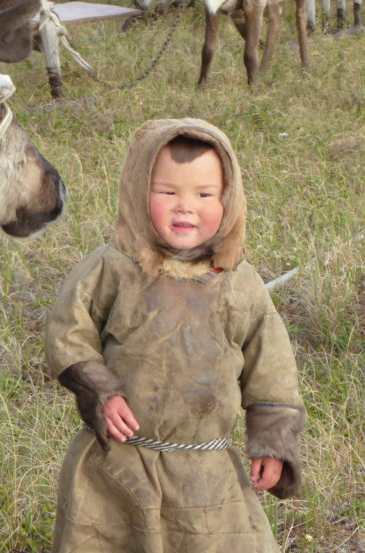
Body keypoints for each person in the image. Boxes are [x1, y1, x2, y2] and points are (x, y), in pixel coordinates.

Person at [45, 118, 305, 552]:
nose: (186, 207)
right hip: (120, 462)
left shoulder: (239, 283)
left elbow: (271, 368)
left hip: (207, 472)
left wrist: (273, 441)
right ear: (136, 191)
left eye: (204, 195)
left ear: (229, 198)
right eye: (167, 192)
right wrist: (100, 391)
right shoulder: (112, 269)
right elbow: (69, 331)